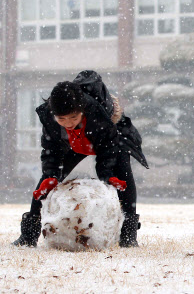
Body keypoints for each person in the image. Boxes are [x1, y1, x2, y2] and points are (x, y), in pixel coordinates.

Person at [12, 70, 149, 248]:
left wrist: (107, 175)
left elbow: (108, 147)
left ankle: (128, 235)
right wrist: (51, 176)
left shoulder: (96, 114)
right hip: (77, 144)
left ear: (82, 110)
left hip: (112, 139)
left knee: (123, 177)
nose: (68, 123)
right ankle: (28, 235)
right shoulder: (50, 118)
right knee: (46, 182)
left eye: (73, 117)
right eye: (62, 119)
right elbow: (51, 150)